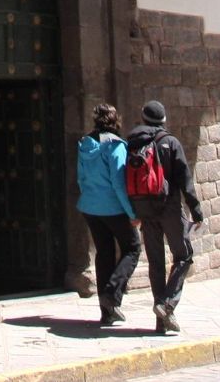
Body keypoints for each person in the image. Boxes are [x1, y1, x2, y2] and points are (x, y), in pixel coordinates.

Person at [123, 100, 203, 335]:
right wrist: (196, 210)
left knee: (155, 263)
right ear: (164, 119)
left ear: (144, 118)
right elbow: (184, 180)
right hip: (169, 207)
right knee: (184, 255)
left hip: (145, 209)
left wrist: (133, 210)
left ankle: (161, 322)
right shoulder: (171, 142)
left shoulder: (133, 143)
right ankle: (167, 304)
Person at [76, 103, 141, 327]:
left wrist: (89, 198)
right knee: (132, 247)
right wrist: (132, 212)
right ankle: (112, 295)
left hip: (90, 207)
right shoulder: (114, 145)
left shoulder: (86, 143)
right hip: (113, 208)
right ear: (115, 121)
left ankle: (106, 312)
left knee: (103, 252)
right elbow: (119, 183)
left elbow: (80, 177)